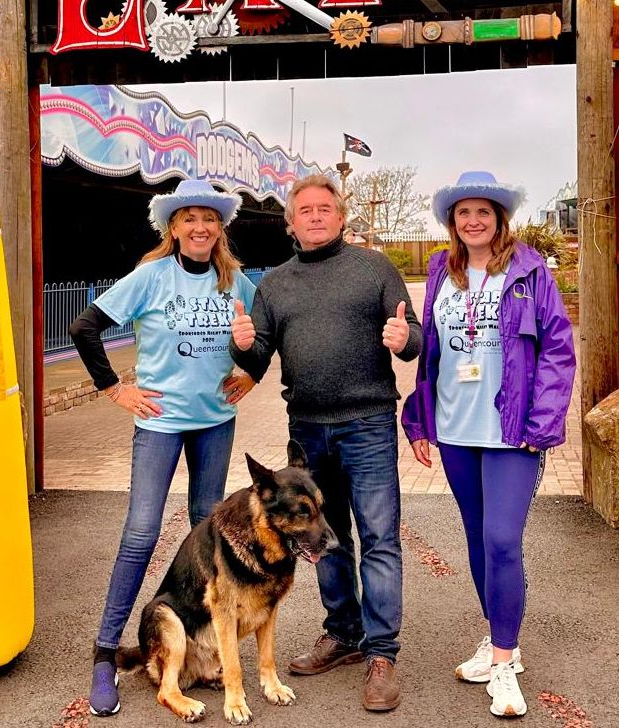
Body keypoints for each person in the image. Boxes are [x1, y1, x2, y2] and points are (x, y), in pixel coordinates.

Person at [228, 174, 421, 712]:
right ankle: (343, 633)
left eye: (324, 208)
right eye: (304, 209)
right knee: (323, 537)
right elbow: (257, 358)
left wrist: (408, 340)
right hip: (307, 430)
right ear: (291, 222)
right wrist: (242, 345)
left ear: (340, 217)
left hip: (368, 423)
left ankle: (381, 653)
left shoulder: (373, 269)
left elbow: (414, 338)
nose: (314, 216)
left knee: (380, 536)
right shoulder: (276, 285)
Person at [68, 178, 257, 717]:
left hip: (215, 422)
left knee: (210, 533)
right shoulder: (150, 277)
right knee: (141, 531)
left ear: (220, 228)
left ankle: (208, 653)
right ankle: (106, 655)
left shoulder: (235, 281)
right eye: (188, 218)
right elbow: (85, 328)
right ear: (172, 227)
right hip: (159, 422)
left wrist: (251, 372)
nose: (200, 227)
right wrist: (114, 388)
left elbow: (261, 335)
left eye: (209, 219)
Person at [401, 170, 575, 719]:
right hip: (455, 427)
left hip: (511, 431)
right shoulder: (440, 270)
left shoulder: (529, 272)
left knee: (503, 539)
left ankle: (503, 664)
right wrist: (422, 420)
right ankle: (502, 639)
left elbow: (558, 350)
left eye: (484, 212)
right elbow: (432, 351)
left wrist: (541, 423)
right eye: (463, 214)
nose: (473, 221)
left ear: (500, 218)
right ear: (452, 223)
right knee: (478, 539)